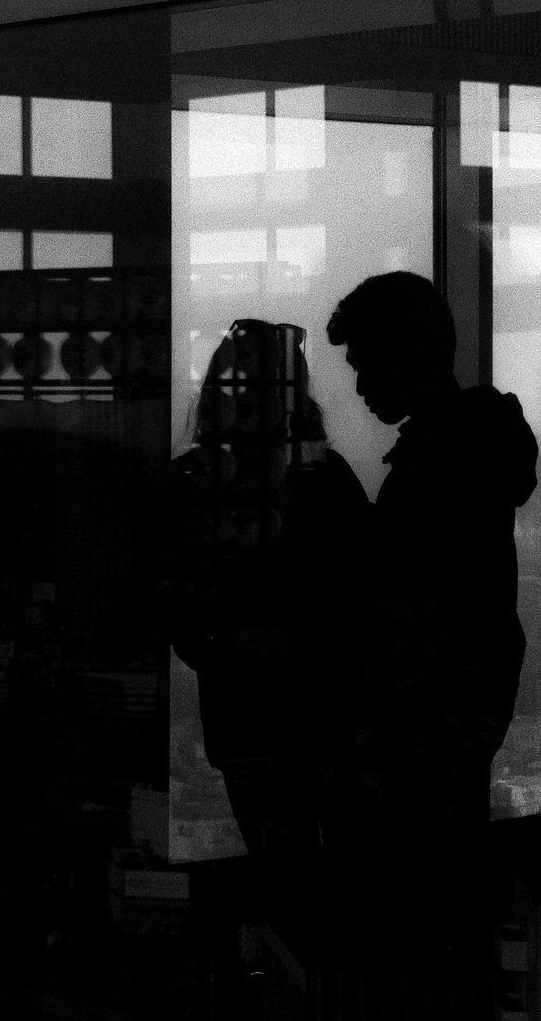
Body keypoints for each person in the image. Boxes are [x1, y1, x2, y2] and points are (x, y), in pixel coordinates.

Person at [326, 272, 537, 955]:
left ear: (399, 353)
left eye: (363, 366)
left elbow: (399, 609)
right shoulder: (468, 452)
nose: (358, 389)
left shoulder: (433, 468)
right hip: (455, 727)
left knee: (415, 926)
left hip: (419, 733)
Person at [161, 319, 370, 945]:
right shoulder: (325, 480)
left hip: (249, 723)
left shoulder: (192, 486)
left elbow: (180, 613)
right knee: (322, 893)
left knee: (289, 888)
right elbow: (363, 604)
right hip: (320, 724)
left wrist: (234, 648)